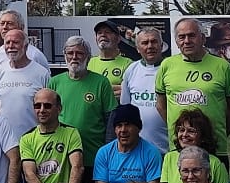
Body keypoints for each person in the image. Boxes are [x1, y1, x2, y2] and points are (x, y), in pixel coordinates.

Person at [158, 17, 230, 146]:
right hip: (179, 147)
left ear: (203, 38)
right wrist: (175, 129)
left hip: (214, 147)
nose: (187, 41)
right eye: (182, 37)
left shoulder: (223, 66)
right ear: (176, 41)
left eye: (192, 35)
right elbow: (161, 105)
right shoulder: (167, 65)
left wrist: (218, 134)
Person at [16, 88, 83, 183]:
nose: (41, 110)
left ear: (59, 108)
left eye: (47, 105)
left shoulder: (71, 133)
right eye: (37, 106)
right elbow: (29, 174)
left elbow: (77, 167)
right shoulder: (26, 138)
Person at [91, 104, 164, 183]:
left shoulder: (151, 152)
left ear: (138, 128)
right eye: (119, 126)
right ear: (114, 129)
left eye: (128, 125)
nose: (123, 130)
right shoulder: (104, 153)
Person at [50, 35, 116, 164]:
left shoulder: (101, 82)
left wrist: (109, 150)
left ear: (88, 57)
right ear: (65, 55)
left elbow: (111, 119)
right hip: (62, 156)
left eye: (79, 53)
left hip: (94, 155)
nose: (74, 57)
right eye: (70, 53)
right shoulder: (54, 82)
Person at [0, 25, 51, 151]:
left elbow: (49, 108)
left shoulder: (41, 73)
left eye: (16, 42)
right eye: (7, 42)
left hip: (35, 141)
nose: (11, 46)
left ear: (26, 46)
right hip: (5, 142)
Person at [117, 26, 170, 150]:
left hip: (168, 148)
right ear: (138, 49)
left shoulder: (172, 69)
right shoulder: (131, 70)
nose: (150, 46)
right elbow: (126, 107)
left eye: (154, 41)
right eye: (145, 43)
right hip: (137, 149)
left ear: (162, 46)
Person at [168, 108, 230, 183]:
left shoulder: (215, 163)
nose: (184, 135)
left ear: (203, 136)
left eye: (191, 131)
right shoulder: (169, 158)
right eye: (181, 130)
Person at [88, 20, 133, 93]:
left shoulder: (128, 64)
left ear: (118, 39)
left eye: (107, 32)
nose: (103, 35)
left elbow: (130, 89)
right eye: (99, 33)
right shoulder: (89, 62)